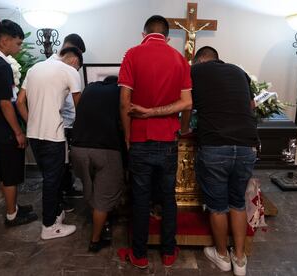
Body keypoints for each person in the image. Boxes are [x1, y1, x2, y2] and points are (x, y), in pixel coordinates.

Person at [117, 15, 192, 268]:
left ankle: (138, 255)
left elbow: (124, 102)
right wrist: (179, 128)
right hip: (168, 138)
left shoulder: (133, 54)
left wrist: (128, 135)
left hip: (140, 138)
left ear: (143, 34)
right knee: (167, 197)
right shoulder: (179, 59)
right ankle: (169, 252)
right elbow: (187, 103)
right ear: (168, 37)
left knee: (140, 198)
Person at [181, 46, 259, 276]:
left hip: (216, 145)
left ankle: (222, 256)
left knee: (217, 206)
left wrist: (184, 128)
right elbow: (251, 106)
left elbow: (187, 104)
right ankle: (240, 259)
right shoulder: (238, 71)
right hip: (246, 145)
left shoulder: (195, 72)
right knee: (237, 202)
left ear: (199, 61)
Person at [0, 19, 38, 227]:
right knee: (10, 174)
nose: (20, 47)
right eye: (18, 43)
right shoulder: (2, 66)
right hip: (5, 130)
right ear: (4, 40)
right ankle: (12, 215)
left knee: (3, 172)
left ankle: (14, 206)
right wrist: (18, 132)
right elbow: (6, 104)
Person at [16, 47, 82, 240]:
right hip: (53, 135)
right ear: (74, 61)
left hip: (34, 135)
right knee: (52, 181)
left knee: (48, 178)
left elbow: (20, 102)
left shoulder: (34, 69)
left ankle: (54, 215)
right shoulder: (69, 71)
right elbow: (81, 106)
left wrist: (33, 122)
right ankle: (49, 226)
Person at [70, 75, 124, 253]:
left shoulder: (90, 89)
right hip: (105, 150)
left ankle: (99, 215)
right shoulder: (120, 92)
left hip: (77, 149)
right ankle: (95, 239)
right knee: (103, 197)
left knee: (90, 187)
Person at [51, 34, 87, 213]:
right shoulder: (58, 69)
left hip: (69, 122)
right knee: (61, 164)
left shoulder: (64, 68)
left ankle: (67, 189)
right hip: (62, 124)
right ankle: (61, 198)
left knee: (66, 162)